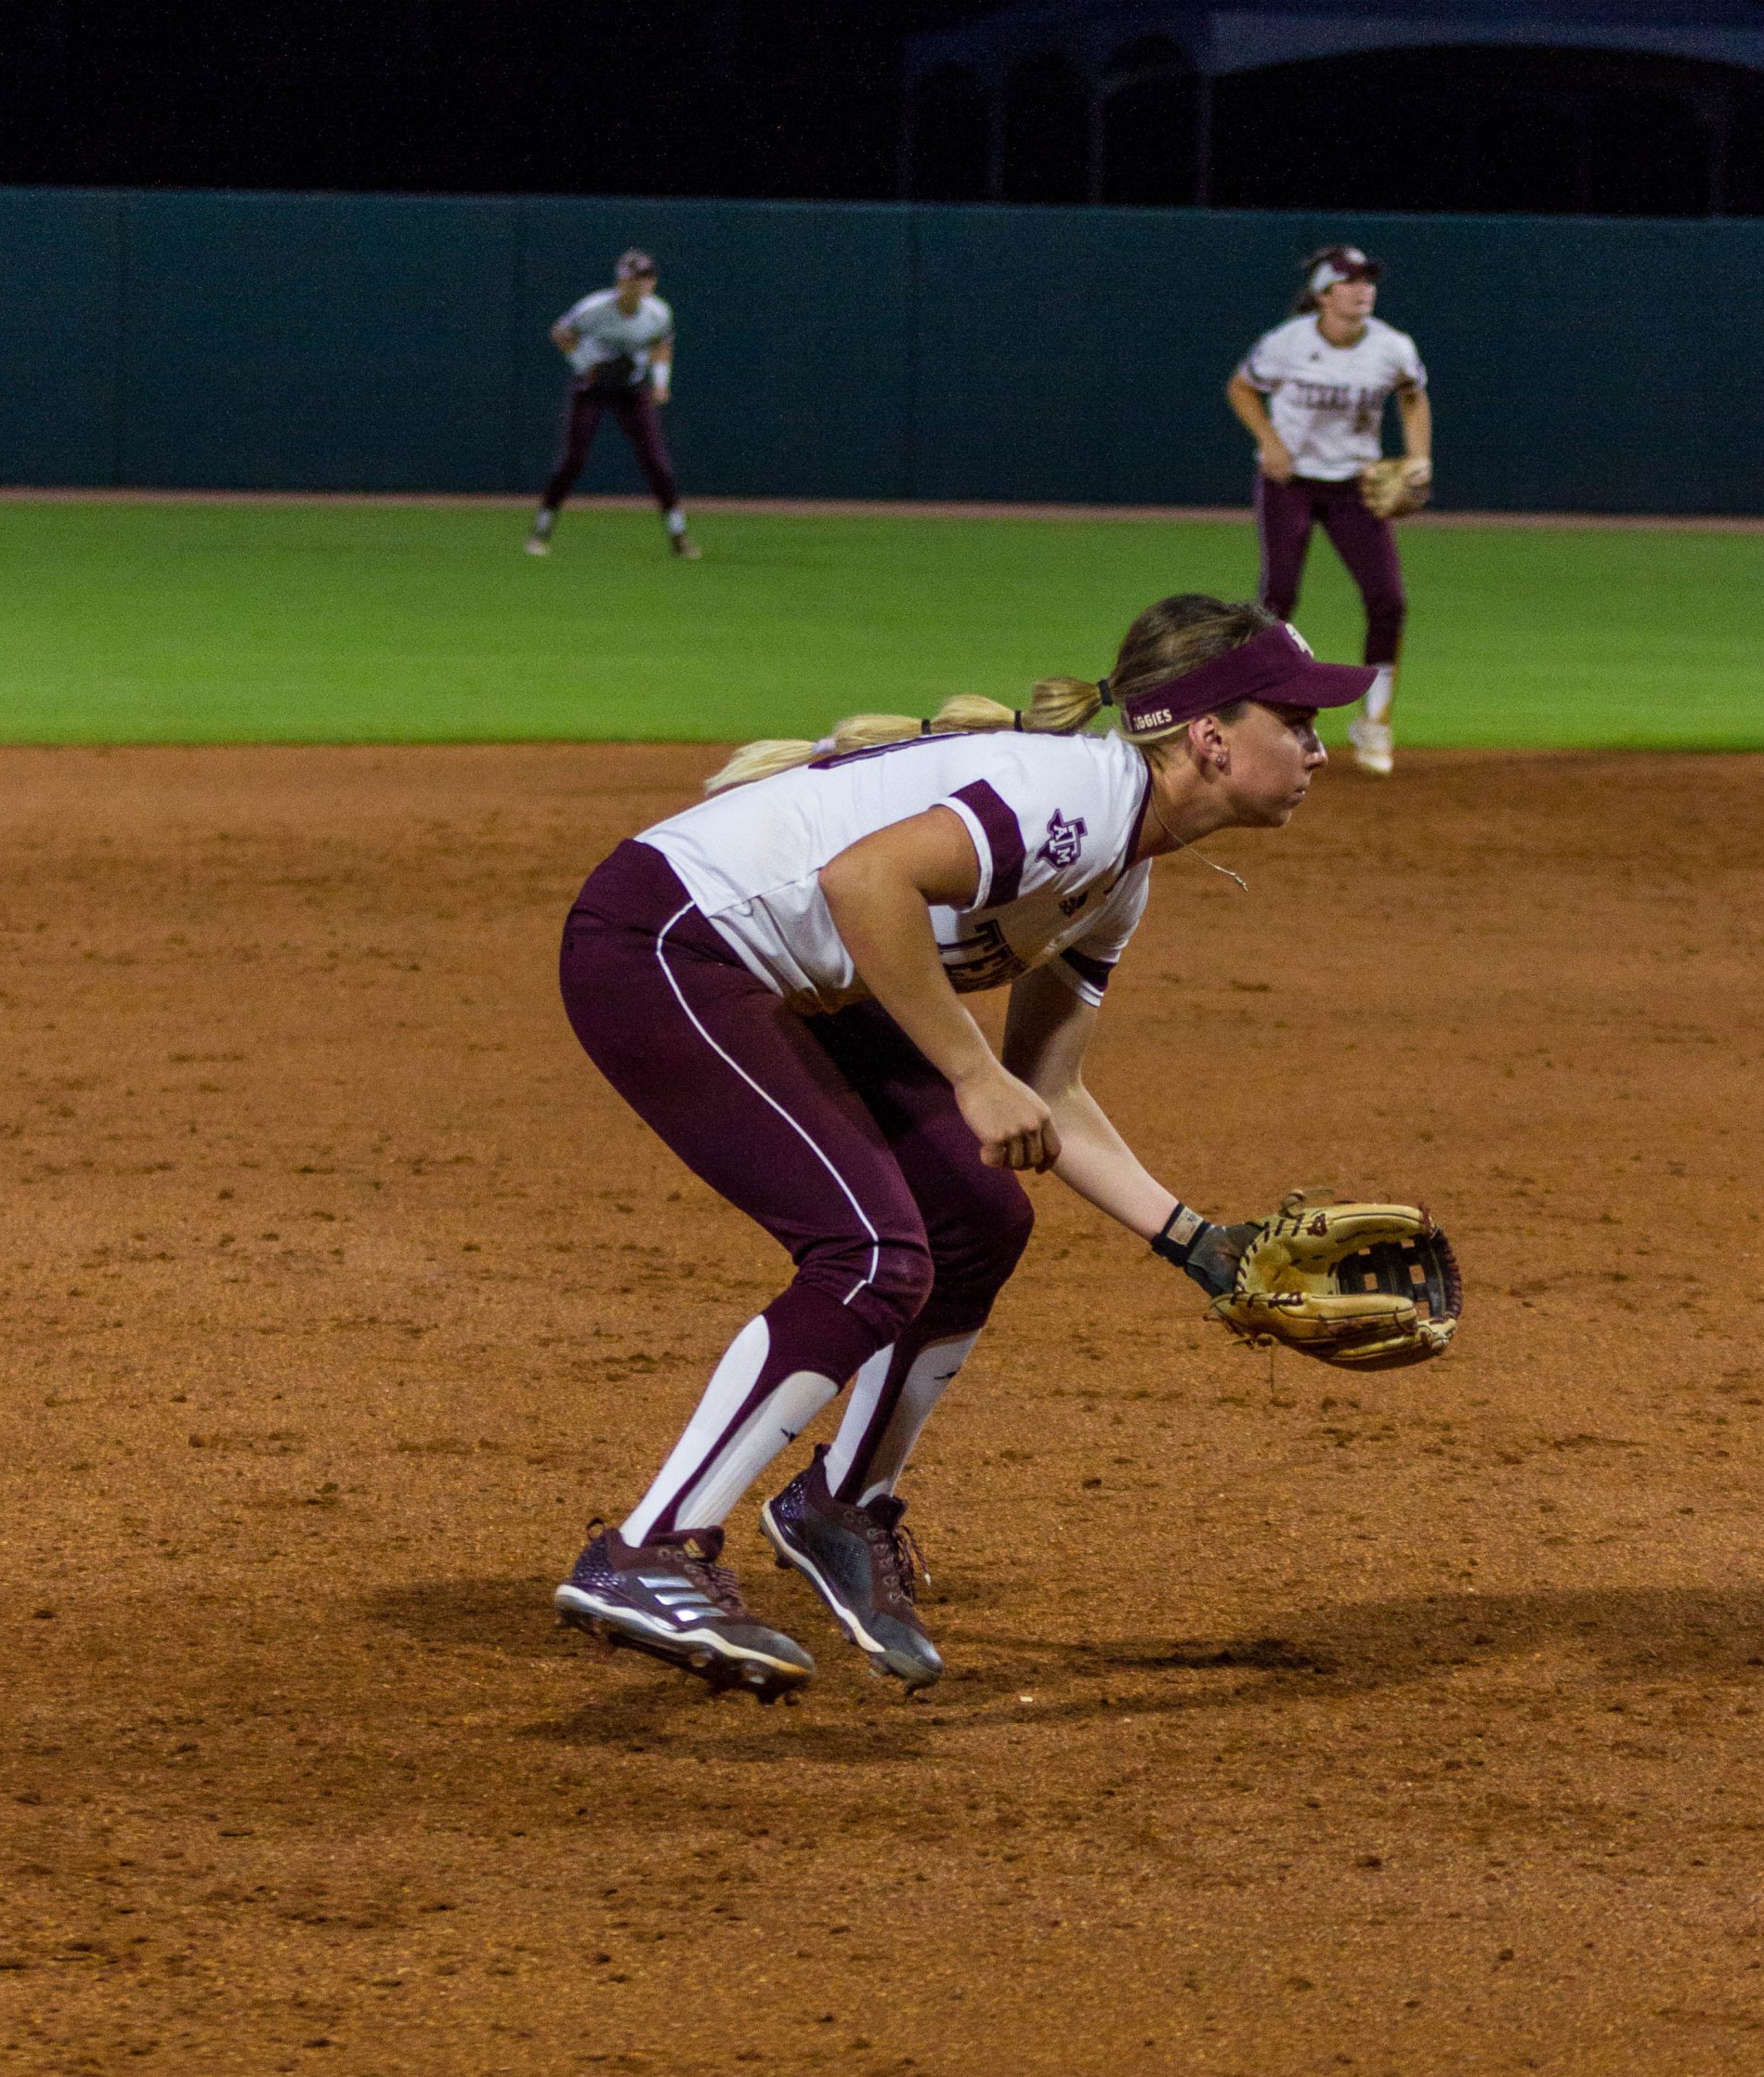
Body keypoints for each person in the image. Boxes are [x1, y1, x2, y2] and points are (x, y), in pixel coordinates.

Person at [552, 594, 1376, 1702]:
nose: (1320, 748)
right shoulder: (1077, 801)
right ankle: (648, 1549)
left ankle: (839, 1505)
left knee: (977, 1221)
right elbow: (863, 882)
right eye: (1298, 721)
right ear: (1207, 736)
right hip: (670, 941)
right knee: (870, 1255)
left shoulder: (1117, 876)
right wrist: (967, 1073)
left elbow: (1046, 1092)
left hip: (785, 975)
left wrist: (1196, 1244)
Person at [1225, 244, 1431, 777]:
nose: (1363, 289)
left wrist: (1419, 457)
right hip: (1290, 482)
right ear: (1322, 293)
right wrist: (1269, 440)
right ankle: (1258, 714)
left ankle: (1375, 721)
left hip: (1355, 487)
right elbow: (1242, 386)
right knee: (1279, 598)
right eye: (1349, 281)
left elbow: (1413, 396)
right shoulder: (1288, 342)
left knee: (1388, 600)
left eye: (1368, 280)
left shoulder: (1392, 347)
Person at [526, 248, 699, 561]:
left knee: (656, 462)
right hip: (592, 388)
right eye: (632, 279)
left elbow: (662, 347)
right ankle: (542, 529)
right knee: (573, 460)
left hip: (632, 389)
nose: (637, 285)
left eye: (644, 279)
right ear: (620, 281)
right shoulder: (595, 308)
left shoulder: (658, 313)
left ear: (652, 282)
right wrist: (586, 365)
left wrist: (661, 383)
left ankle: (678, 535)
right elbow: (560, 333)